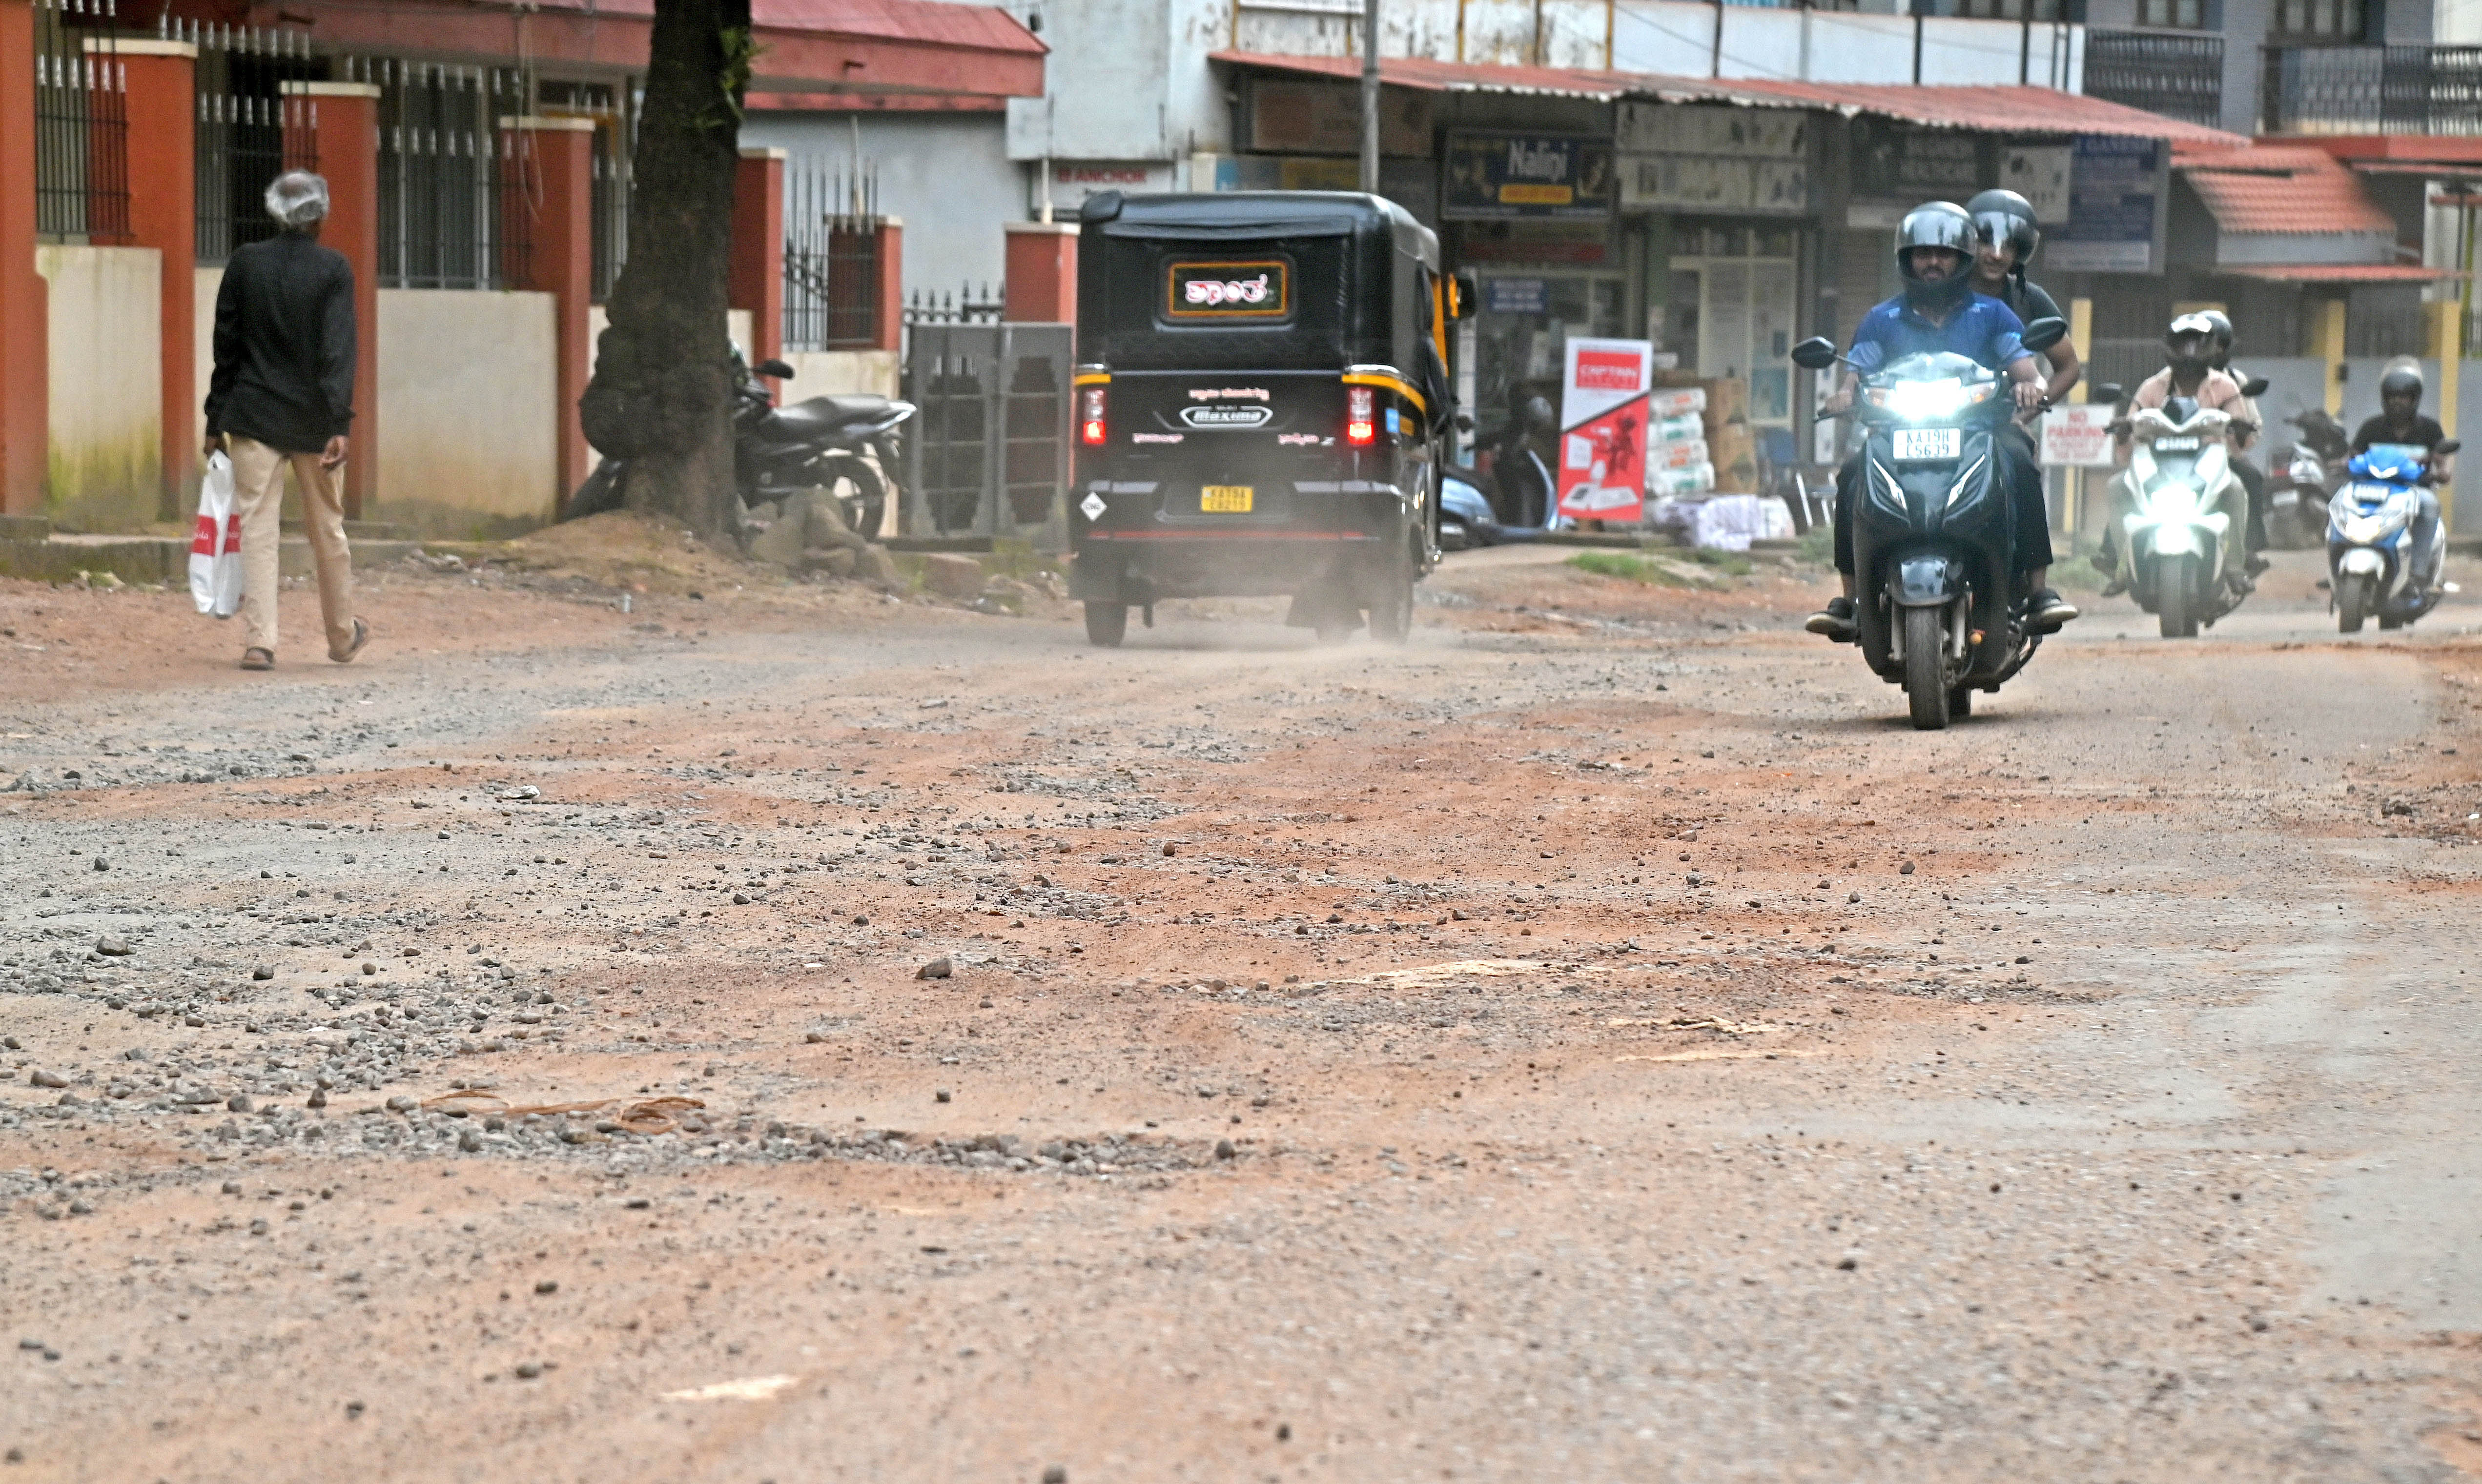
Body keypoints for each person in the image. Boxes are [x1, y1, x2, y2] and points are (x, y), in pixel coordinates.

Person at [1807, 202, 2076, 641]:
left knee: (2021, 461)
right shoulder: (1881, 319)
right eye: (1921, 254)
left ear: (1961, 259)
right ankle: (1849, 599)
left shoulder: (1992, 315)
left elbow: (2026, 370)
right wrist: (1841, 397)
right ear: (1905, 260)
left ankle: (2037, 590)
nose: (1932, 263)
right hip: (1897, 433)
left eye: (1943, 254)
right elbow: (1853, 377)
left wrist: (2030, 388)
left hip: (1981, 431)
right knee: (1852, 474)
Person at [203, 169, 368, 672]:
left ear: (274, 212)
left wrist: (214, 418)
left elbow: (226, 347)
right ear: (319, 215)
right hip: (316, 423)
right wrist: (340, 422)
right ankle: (342, 637)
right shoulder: (333, 269)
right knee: (329, 531)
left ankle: (261, 642)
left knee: (257, 528)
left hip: (253, 415)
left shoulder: (245, 264)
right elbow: (338, 350)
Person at [2094, 312, 2259, 595]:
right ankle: (2122, 568)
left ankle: (2235, 569)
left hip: (2207, 464)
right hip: (2159, 465)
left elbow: (2242, 441)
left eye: (2197, 343)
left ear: (2211, 347)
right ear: (2171, 347)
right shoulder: (2152, 387)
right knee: (2116, 487)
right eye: (2183, 343)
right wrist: (2124, 430)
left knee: (2236, 491)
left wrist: (2240, 429)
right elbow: (2131, 425)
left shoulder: (2227, 387)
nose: (2190, 352)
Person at [1964, 188, 2082, 409]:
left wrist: (2024, 415)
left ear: (2019, 252)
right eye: (1987, 242)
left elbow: (2069, 367)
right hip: (1936, 414)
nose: (1997, 254)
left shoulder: (2029, 298)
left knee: (2020, 445)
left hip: (2000, 423)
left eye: (2007, 246)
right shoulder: (1945, 294)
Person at [2347, 361, 2451, 591]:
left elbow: (2443, 458)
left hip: (2415, 491)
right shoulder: (2371, 427)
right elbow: (2353, 454)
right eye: (2392, 396)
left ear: (2415, 399)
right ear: (2384, 398)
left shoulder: (2430, 429)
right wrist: (2342, 463)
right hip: (2373, 490)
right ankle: (2338, 565)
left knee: (2430, 506)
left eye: (2404, 397)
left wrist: (2443, 472)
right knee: (2339, 502)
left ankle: (2418, 574)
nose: (2397, 402)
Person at [2198, 308, 2271, 568]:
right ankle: (2115, 552)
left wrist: (2243, 432)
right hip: (2179, 454)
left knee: (2252, 478)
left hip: (2222, 459)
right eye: (2206, 343)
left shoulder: (2236, 380)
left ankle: (2249, 550)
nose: (2212, 351)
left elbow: (2254, 424)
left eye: (2219, 345)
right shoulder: (2174, 377)